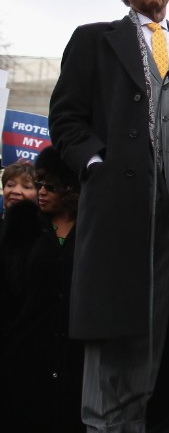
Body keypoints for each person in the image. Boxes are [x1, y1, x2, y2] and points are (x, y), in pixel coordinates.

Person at [48, 0, 169, 431]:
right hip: (119, 217)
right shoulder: (94, 41)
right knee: (110, 352)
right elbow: (65, 120)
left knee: (149, 356)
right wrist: (96, 164)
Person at [0, 148, 83, 431]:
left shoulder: (89, 229)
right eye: (40, 184)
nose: (42, 191)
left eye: (51, 185)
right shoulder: (23, 223)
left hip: (74, 357)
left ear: (70, 188)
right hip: (24, 354)